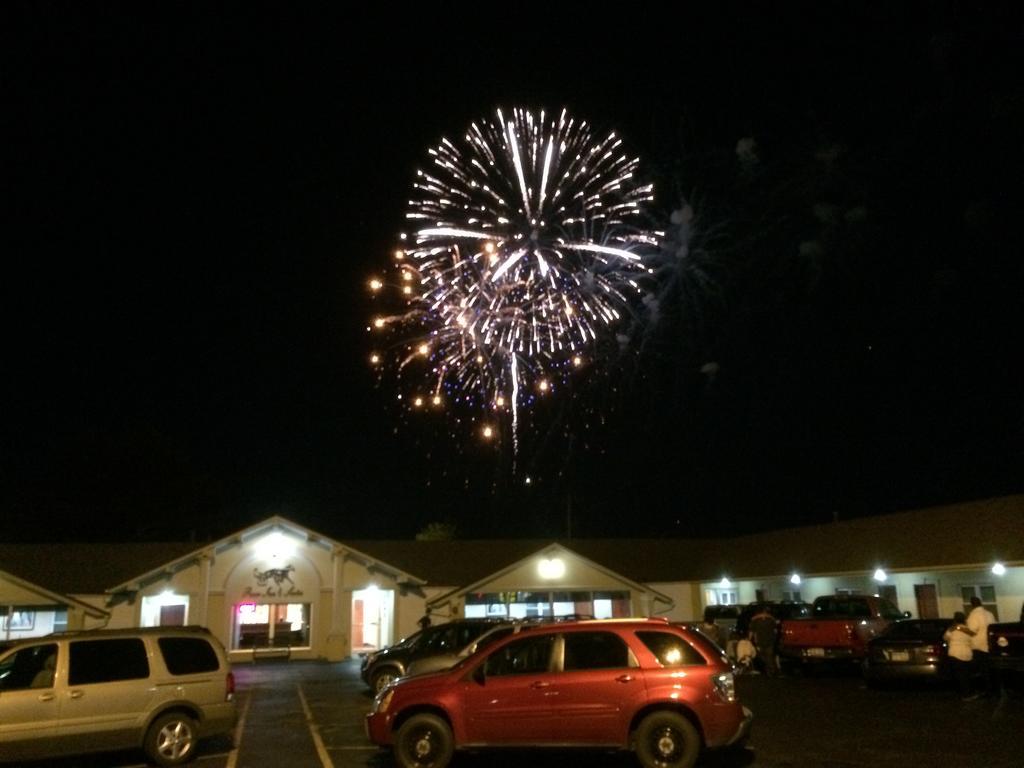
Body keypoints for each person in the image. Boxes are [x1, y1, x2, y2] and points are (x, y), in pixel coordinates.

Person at [966, 596, 996, 697]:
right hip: (989, 645)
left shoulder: (974, 615)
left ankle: (985, 691)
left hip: (978, 646)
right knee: (989, 669)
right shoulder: (989, 614)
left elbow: (972, 631)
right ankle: (993, 689)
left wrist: (961, 630)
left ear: (972, 604)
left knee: (981, 670)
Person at [944, 612, 974, 700]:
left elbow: (945, 638)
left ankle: (962, 693)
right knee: (966, 675)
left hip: (954, 653)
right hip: (966, 654)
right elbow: (972, 638)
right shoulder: (968, 629)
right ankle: (967, 693)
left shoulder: (951, 629)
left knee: (958, 675)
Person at [748, 605, 779, 677]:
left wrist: (749, 639)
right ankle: (771, 670)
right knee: (769, 656)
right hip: (770, 640)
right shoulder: (771, 619)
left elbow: (752, 631)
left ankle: (766, 670)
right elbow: (775, 631)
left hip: (759, 641)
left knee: (762, 656)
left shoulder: (754, 619)